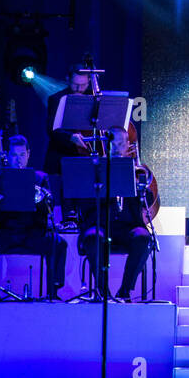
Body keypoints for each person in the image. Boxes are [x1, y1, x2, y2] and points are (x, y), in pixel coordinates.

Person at [0, 135, 69, 299]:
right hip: (4, 233)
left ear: (28, 154)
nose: (18, 160)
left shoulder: (40, 178)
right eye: (14, 156)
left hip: (32, 234)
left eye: (22, 155)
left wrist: (38, 196)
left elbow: (49, 207)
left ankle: (53, 293)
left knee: (59, 243)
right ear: (7, 156)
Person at [74, 127, 151, 300]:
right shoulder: (94, 168)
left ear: (127, 146)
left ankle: (125, 290)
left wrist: (140, 185)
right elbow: (83, 202)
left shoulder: (135, 170)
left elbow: (148, 201)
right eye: (112, 144)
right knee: (92, 237)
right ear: (105, 144)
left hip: (127, 227)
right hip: (100, 224)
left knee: (143, 237)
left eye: (120, 144)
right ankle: (103, 291)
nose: (116, 148)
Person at [43, 62, 97, 175]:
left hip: (85, 159)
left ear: (89, 82)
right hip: (62, 157)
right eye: (75, 84)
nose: (79, 89)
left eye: (83, 85)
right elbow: (52, 129)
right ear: (68, 79)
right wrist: (71, 137)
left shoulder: (94, 98)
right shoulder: (57, 99)